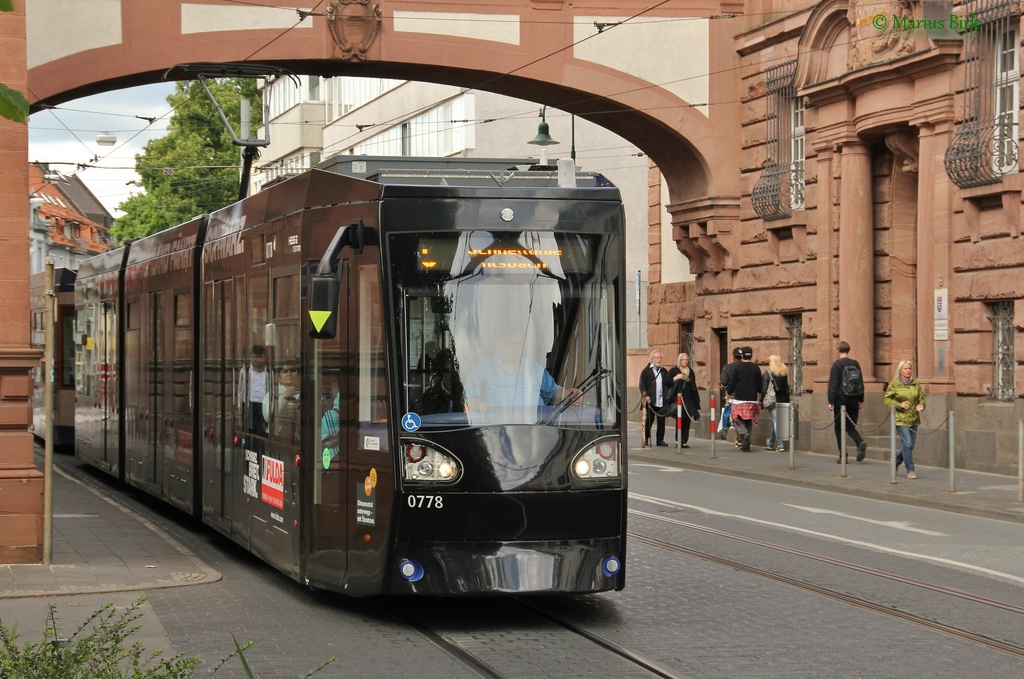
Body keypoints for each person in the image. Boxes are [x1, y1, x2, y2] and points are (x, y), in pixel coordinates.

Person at [883, 360, 926, 479]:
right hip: (900, 418)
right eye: (905, 369)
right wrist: (899, 404)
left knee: (910, 445)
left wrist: (921, 405)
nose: (908, 371)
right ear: (900, 370)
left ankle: (896, 461)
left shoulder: (916, 383)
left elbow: (921, 399)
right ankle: (910, 469)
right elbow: (887, 400)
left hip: (914, 418)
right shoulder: (894, 384)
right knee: (907, 443)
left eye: (909, 369)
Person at [828, 340, 867, 463]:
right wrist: (861, 399)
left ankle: (843, 456)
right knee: (850, 426)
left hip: (841, 399)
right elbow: (860, 383)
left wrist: (831, 401)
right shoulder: (856, 364)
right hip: (854, 398)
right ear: (848, 350)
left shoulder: (837, 365)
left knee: (839, 429)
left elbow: (833, 384)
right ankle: (859, 442)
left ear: (838, 350)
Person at [726, 346, 762, 452]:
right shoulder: (756, 368)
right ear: (751, 355)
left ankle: (743, 433)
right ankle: (747, 443)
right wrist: (759, 399)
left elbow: (732, 382)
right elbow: (759, 385)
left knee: (735, 418)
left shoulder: (737, 367)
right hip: (752, 398)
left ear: (742, 355)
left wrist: (728, 393)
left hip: (740, 398)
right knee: (748, 421)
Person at [639, 350, 673, 446]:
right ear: (652, 359)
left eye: (660, 358)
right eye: (657, 358)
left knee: (661, 421)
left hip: (661, 400)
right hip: (651, 401)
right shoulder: (646, 371)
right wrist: (645, 396)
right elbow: (642, 385)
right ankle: (645, 438)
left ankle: (660, 440)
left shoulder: (664, 370)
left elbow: (667, 382)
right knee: (649, 420)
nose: (659, 359)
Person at [237, 345, 270, 445]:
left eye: (258, 357)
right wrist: (239, 404)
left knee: (262, 432)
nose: (255, 360)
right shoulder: (244, 371)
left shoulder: (268, 372)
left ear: (263, 357)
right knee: (248, 431)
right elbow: (240, 389)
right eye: (253, 357)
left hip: (263, 405)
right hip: (248, 404)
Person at [668, 352, 701, 448]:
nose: (685, 361)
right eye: (683, 360)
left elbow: (693, 385)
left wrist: (696, 401)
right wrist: (675, 378)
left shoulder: (690, 371)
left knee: (687, 420)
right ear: (679, 360)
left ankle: (684, 441)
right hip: (678, 398)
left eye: (686, 360)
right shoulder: (674, 370)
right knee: (680, 419)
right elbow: (667, 381)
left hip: (688, 399)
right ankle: (678, 440)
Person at [417, 349, 465, 415]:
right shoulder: (430, 397)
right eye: (449, 373)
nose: (453, 377)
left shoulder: (469, 394)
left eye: (457, 373)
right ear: (442, 374)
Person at [264, 359, 300, 445]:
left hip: (299, 444)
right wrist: (284, 397)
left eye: (292, 371)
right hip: (276, 442)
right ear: (279, 378)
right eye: (285, 371)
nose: (289, 374)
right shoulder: (271, 395)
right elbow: (268, 416)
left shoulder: (305, 395)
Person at [762, 354, 791, 452]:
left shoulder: (768, 373)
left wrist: (762, 401)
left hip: (772, 400)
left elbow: (764, 389)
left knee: (776, 421)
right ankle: (771, 443)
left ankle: (780, 445)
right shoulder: (783, 373)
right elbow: (787, 388)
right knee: (777, 421)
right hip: (783, 399)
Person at [718, 347, 743, 441]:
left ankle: (737, 434)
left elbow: (723, 381)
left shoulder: (727, 367)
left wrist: (728, 389)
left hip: (732, 395)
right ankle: (742, 436)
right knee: (743, 417)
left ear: (733, 356)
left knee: (732, 414)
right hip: (745, 395)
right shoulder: (746, 367)